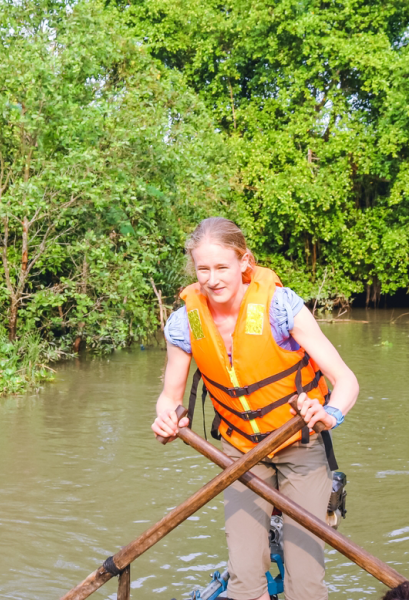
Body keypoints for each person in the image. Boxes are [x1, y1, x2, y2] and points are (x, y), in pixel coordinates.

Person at [152, 217, 359, 600]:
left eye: (222, 267)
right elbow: (170, 396)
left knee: (306, 582)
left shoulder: (280, 307)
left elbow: (346, 381)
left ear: (245, 262)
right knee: (245, 580)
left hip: (300, 446)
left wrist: (331, 413)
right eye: (203, 269)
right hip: (241, 453)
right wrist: (166, 416)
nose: (212, 279)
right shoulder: (185, 323)